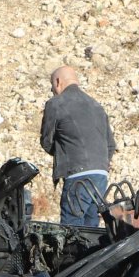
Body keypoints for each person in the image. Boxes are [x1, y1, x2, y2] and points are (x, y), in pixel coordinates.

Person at [40, 66, 116, 227]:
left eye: (52, 86)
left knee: (72, 227)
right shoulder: (96, 106)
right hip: (101, 175)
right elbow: (111, 145)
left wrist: (63, 154)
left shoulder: (56, 104)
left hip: (78, 176)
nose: (52, 90)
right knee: (91, 226)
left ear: (58, 82)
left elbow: (46, 141)